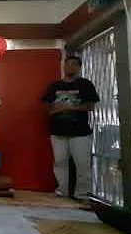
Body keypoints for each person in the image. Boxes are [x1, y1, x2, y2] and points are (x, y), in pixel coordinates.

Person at [42, 56, 99, 201]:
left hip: (80, 132)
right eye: (67, 64)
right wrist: (57, 110)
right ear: (63, 66)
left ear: (79, 67)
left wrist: (69, 106)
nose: (69, 67)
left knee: (82, 164)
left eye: (74, 64)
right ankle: (62, 191)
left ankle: (82, 194)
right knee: (60, 162)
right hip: (57, 132)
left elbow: (90, 106)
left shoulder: (85, 84)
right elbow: (47, 107)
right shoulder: (54, 86)